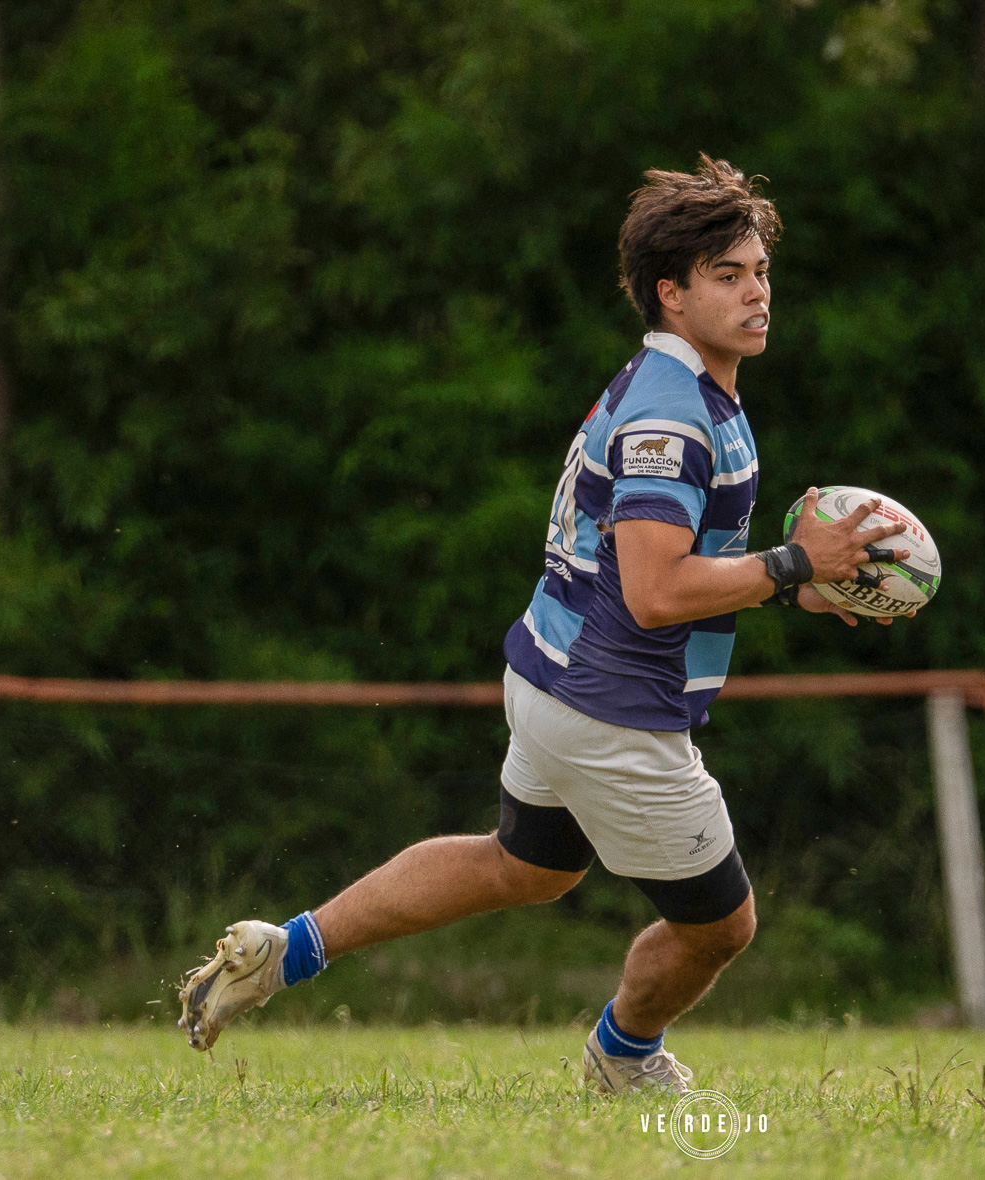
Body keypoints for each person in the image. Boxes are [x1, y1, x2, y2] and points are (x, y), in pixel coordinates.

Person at [176, 155, 910, 1094]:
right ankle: (623, 1059)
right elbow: (652, 592)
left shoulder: (683, 389)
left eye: (761, 271)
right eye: (728, 277)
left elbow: (648, 566)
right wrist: (795, 563)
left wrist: (796, 584)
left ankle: (291, 950)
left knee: (523, 866)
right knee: (721, 926)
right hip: (614, 712)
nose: (757, 293)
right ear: (670, 294)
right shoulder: (672, 415)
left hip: (554, 677)